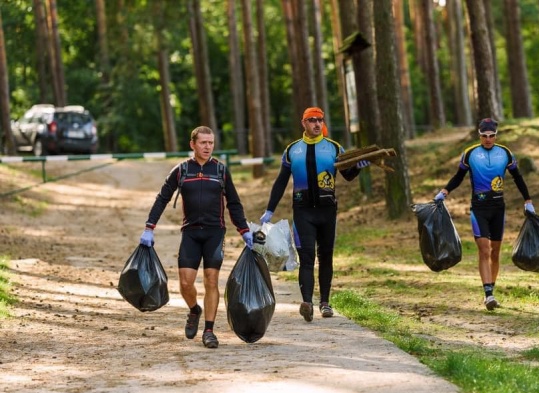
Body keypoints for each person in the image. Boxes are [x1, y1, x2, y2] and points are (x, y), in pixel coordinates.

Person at [140, 126, 253, 348]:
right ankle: (194, 309)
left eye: (211, 143)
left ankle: (209, 331)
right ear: (193, 144)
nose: (208, 147)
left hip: (214, 233)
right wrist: (149, 227)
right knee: (185, 283)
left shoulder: (220, 171)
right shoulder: (181, 170)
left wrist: (244, 230)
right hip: (190, 233)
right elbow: (162, 198)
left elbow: (233, 203)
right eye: (203, 143)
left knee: (211, 280)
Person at [259, 107, 370, 322]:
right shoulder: (292, 150)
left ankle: (325, 303)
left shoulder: (334, 148)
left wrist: (358, 167)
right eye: (312, 120)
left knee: (326, 257)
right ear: (303, 123)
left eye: (320, 120)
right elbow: (281, 182)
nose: (316, 124)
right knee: (307, 257)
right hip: (303, 213)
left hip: (328, 212)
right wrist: (270, 209)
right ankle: (307, 302)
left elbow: (347, 175)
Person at [434, 118, 534, 311]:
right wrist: (445, 191)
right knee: (484, 249)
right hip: (479, 208)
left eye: (492, 136)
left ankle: (492, 291)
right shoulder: (470, 154)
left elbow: (518, 177)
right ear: (479, 135)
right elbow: (458, 177)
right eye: (484, 136)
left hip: (499, 208)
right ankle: (488, 295)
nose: (488, 139)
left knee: (496, 252)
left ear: (496, 135)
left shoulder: (505, 153)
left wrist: (528, 200)